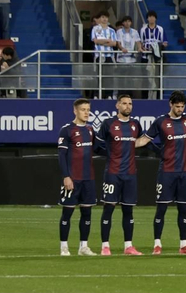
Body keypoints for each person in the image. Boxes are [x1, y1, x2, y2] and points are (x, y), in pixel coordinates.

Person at [144, 92, 186, 254]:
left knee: (183, 209)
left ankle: (184, 245)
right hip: (167, 171)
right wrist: (158, 151)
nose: (180, 109)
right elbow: (145, 140)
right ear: (170, 104)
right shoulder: (161, 121)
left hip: (184, 172)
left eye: (182, 107)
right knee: (162, 208)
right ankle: (157, 244)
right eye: (177, 106)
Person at [94, 91, 148, 255]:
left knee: (128, 210)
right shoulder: (108, 123)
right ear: (117, 105)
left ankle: (128, 246)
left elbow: (141, 141)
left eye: (130, 103)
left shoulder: (135, 124)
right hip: (113, 172)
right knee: (108, 208)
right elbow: (97, 146)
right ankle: (105, 246)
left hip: (130, 174)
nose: (127, 106)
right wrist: (110, 154)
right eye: (124, 103)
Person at [56, 98, 99, 256]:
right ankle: (64, 246)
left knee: (87, 213)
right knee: (67, 213)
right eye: (83, 110)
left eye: (88, 110)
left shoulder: (90, 130)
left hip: (88, 178)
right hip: (73, 178)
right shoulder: (67, 130)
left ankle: (83, 247)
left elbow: (98, 149)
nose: (86, 113)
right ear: (75, 111)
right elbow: (61, 155)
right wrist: (66, 176)